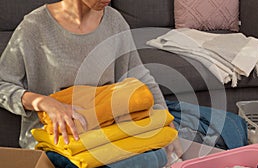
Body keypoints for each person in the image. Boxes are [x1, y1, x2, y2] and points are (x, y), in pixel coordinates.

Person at [0, 0, 182, 159]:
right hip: (57, 139)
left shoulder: (115, 22)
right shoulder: (35, 26)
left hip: (107, 135)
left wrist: (164, 120)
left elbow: (139, 75)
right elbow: (2, 84)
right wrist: (44, 102)